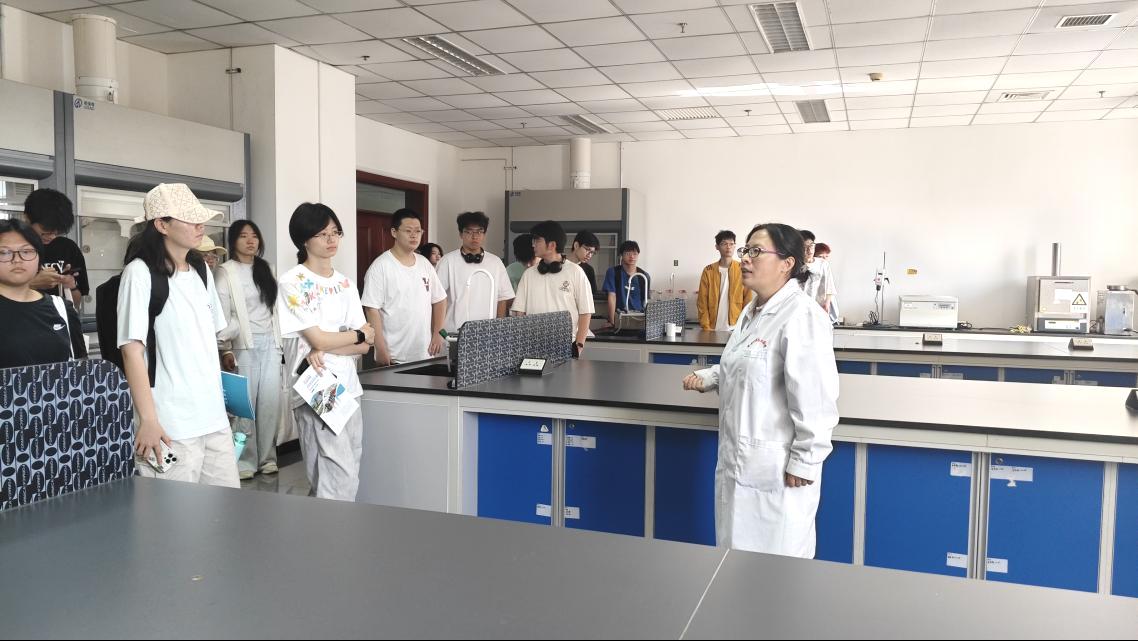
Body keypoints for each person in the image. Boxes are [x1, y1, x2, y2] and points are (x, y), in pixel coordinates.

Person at [682, 222, 839, 558]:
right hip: (739, 467)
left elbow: (817, 400)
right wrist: (714, 375)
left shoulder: (802, 316)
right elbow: (751, 362)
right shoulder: (752, 312)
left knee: (775, 572)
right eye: (745, 250)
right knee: (733, 564)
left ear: (787, 263)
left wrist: (805, 461)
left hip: (776, 476)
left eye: (756, 251)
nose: (745, 259)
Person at [116, 183, 238, 487]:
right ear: (162, 225)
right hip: (170, 424)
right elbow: (132, 352)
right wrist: (148, 420)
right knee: (173, 513)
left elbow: (207, 340)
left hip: (214, 419)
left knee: (228, 509)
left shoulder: (201, 269)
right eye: (190, 219)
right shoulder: (139, 273)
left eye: (201, 219)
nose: (200, 226)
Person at [277, 203, 375, 501]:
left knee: (347, 463)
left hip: (348, 384)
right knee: (337, 473)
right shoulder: (292, 282)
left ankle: (321, 527)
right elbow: (323, 337)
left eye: (335, 232)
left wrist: (331, 343)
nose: (331, 239)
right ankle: (336, 529)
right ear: (304, 240)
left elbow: (365, 345)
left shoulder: (345, 283)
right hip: (317, 385)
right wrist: (355, 335)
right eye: (322, 234)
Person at [216, 220, 284, 480]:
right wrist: (225, 349)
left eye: (254, 236)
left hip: (270, 345)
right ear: (233, 241)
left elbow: (275, 310)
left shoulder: (267, 269)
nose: (250, 241)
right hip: (243, 344)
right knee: (244, 407)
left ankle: (268, 459)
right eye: (243, 236)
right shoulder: (225, 271)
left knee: (269, 404)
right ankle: (244, 461)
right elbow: (222, 313)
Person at [362, 208, 446, 366]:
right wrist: (380, 349)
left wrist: (438, 333)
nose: (414, 235)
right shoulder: (380, 267)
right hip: (394, 356)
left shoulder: (424, 263)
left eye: (418, 231)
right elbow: (371, 310)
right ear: (394, 232)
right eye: (408, 231)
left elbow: (440, 300)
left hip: (425, 353)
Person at [0, 219, 86, 368]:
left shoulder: (61, 308)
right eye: (4, 252)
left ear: (39, 257)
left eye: (26, 251)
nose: (17, 260)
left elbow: (81, 367)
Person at [511, 220, 594, 356]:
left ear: (552, 245)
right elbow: (519, 312)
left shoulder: (575, 272)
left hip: (564, 346)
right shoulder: (528, 274)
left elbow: (585, 312)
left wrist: (579, 345)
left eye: (537, 240)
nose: (533, 244)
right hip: (532, 347)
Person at [436, 211, 514, 334]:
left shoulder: (495, 262)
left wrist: (499, 330)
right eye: (469, 232)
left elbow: (502, 298)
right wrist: (437, 331)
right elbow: (437, 298)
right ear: (461, 234)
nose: (475, 236)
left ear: (484, 234)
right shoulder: (447, 261)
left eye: (479, 232)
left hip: (488, 332)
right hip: (454, 333)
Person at [25, 188, 88, 311]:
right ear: (27, 219)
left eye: (56, 231)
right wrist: (32, 284)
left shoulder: (68, 248)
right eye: (46, 231)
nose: (52, 236)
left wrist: (71, 286)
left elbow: (76, 304)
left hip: (59, 319)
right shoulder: (12, 248)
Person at [697, 230, 752, 331]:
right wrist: (706, 326)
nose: (728, 247)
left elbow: (748, 299)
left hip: (735, 326)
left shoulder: (742, 269)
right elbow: (702, 301)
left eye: (731, 244)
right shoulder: (708, 271)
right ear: (717, 247)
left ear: (735, 246)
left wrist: (743, 325)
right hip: (712, 327)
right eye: (724, 244)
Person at [602, 240, 650, 327]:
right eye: (628, 253)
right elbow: (612, 296)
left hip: (639, 318)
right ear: (621, 255)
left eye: (635, 254)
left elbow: (646, 301)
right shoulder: (613, 272)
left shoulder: (644, 276)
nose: (632, 256)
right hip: (619, 317)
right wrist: (612, 322)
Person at [799, 229, 834, 315]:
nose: (810, 251)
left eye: (811, 246)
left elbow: (830, 287)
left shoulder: (823, 264)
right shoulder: (795, 265)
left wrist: (827, 304)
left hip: (819, 307)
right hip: (800, 308)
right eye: (805, 247)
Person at [814, 242, 841, 324]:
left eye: (826, 257)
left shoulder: (825, 265)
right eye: (820, 256)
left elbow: (830, 287)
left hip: (824, 303)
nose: (824, 259)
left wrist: (827, 303)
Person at [569, 230, 600, 296]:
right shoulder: (559, 265)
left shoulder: (589, 270)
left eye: (592, 252)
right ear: (576, 245)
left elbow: (591, 295)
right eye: (587, 250)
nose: (589, 255)